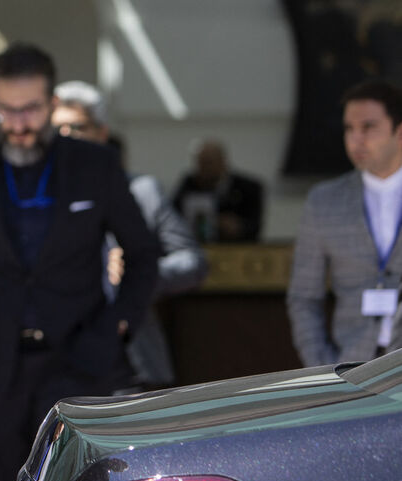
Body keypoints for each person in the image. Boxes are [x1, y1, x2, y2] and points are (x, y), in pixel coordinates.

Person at [0, 43, 159, 481]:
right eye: (7, 111)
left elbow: (143, 253)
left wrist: (118, 324)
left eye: (31, 110)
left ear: (52, 104)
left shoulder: (95, 164)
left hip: (78, 360)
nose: (18, 124)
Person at [52, 81, 208, 387]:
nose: (66, 138)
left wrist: (140, 273)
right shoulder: (31, 200)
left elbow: (194, 262)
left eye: (77, 127)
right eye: (58, 129)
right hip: (53, 366)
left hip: (132, 361)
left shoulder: (142, 191)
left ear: (102, 133)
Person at [289, 79, 402, 367]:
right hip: (351, 369)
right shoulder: (323, 201)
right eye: (349, 129)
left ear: (399, 132)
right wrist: (323, 370)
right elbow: (304, 297)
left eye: (368, 127)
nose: (356, 140)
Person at [172, 139, 264, 242]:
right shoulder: (189, 185)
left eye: (208, 163)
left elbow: (255, 226)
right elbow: (173, 215)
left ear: (223, 162)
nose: (204, 169)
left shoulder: (249, 188)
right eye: (200, 163)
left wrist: (239, 227)